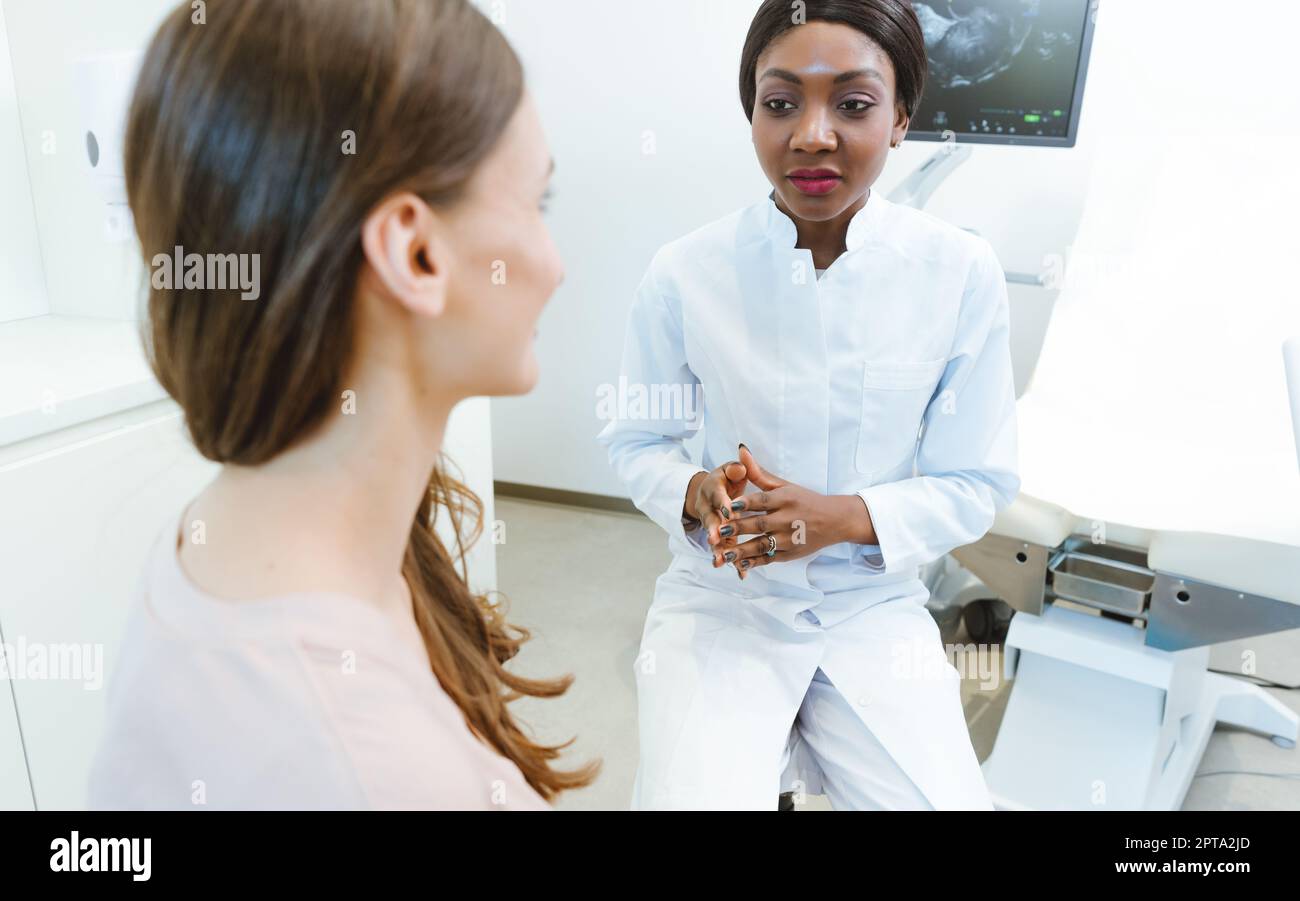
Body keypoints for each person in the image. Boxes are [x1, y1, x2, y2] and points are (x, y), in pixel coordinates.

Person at [89, 0, 595, 810]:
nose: (555, 264)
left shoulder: (231, 537)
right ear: (415, 251)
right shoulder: (370, 768)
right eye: (539, 204)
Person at [598, 0, 1019, 810]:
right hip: (724, 605)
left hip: (870, 607)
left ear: (901, 118)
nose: (812, 135)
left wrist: (843, 518)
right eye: (780, 102)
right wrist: (693, 490)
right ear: (751, 113)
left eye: (854, 104)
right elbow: (637, 439)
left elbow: (977, 479)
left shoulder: (958, 272)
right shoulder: (685, 272)